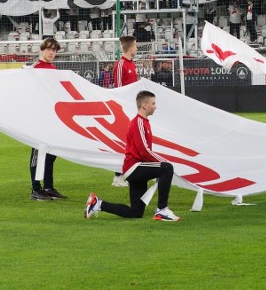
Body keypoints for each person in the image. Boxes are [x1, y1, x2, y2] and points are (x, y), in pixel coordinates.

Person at [84, 90, 181, 221]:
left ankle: (98, 203)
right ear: (144, 106)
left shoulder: (144, 122)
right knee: (167, 168)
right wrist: (163, 162)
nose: (155, 106)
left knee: (135, 212)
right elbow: (143, 151)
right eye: (153, 103)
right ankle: (162, 210)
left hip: (135, 168)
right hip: (135, 167)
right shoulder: (139, 122)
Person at [29, 38, 67, 200]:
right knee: (38, 153)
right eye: (49, 49)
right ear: (42, 50)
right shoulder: (35, 68)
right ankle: (36, 189)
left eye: (54, 50)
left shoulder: (52, 68)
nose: (52, 52)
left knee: (51, 153)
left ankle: (49, 186)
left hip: (51, 118)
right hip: (39, 119)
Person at [111, 35, 139, 186]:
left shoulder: (130, 64)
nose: (137, 48)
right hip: (125, 110)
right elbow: (120, 89)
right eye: (135, 45)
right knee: (123, 143)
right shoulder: (121, 65)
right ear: (131, 47)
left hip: (133, 108)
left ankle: (130, 172)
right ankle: (117, 176)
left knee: (133, 143)